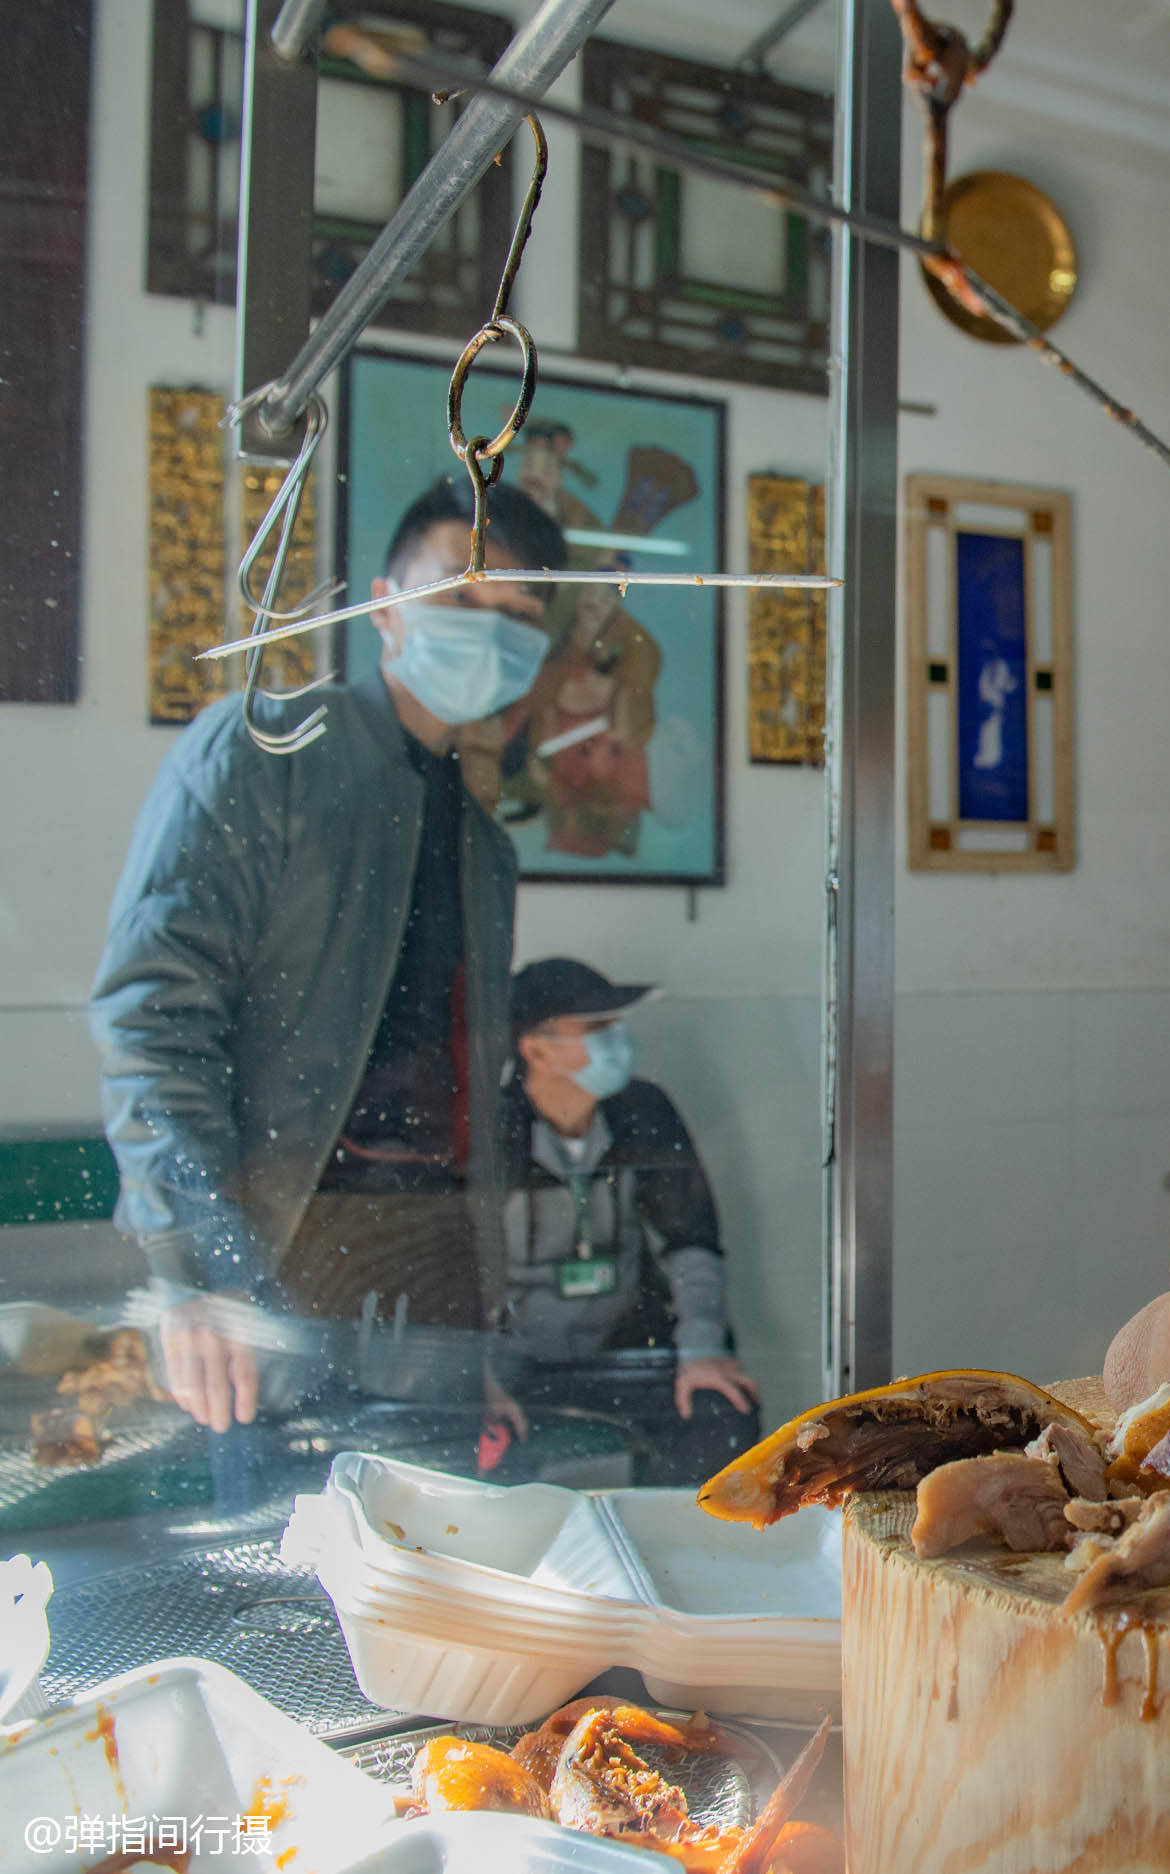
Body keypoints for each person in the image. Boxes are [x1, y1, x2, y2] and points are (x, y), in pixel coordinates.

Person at [94, 474, 570, 1503]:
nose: (488, 631)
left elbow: (468, 1097)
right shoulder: (264, 754)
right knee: (285, 1600)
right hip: (272, 1277)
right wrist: (198, 1274)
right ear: (385, 604)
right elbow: (152, 1020)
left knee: (439, 1611)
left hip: (431, 1297)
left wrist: (475, 1337)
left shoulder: (484, 844)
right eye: (459, 596)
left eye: (519, 616)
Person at [495, 958, 761, 1484]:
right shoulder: (490, 1127)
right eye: (596, 1029)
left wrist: (702, 1350)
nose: (617, 1040)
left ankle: (680, 1555)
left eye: (616, 1025)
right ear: (536, 1049)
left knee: (722, 1413)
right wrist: (483, 1384)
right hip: (519, 1368)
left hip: (625, 1353)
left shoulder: (644, 1111)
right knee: (476, 1449)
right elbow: (453, 1267)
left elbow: (691, 1242)